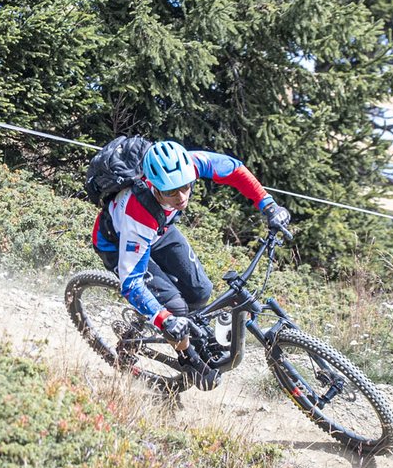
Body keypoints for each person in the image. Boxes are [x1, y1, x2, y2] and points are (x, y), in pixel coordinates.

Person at [90, 139, 291, 386]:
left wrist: (268, 205)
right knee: (175, 307)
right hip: (119, 242)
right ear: (153, 186)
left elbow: (234, 169)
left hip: (160, 231)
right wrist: (166, 320)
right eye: (171, 192)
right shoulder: (138, 214)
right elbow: (132, 282)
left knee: (200, 290)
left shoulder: (187, 166)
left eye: (186, 187)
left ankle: (194, 338)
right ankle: (186, 358)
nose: (181, 197)